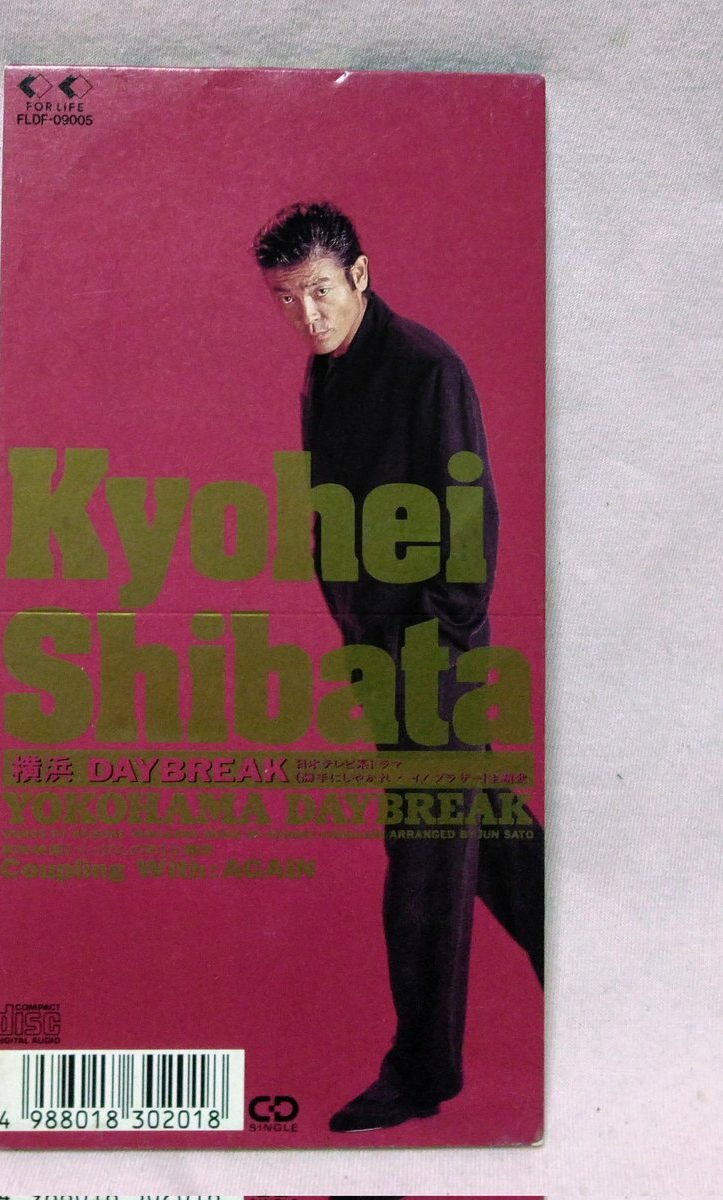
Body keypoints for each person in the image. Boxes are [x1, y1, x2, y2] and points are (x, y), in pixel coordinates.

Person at [253, 201, 544, 1133]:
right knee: (486, 832)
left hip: (433, 661)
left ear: (361, 275)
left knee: (421, 866)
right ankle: (596, 952)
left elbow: (470, 525)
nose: (306, 314)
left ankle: (420, 1075)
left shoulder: (427, 369)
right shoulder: (324, 374)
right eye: (286, 298)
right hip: (377, 655)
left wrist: (437, 651)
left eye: (319, 291)